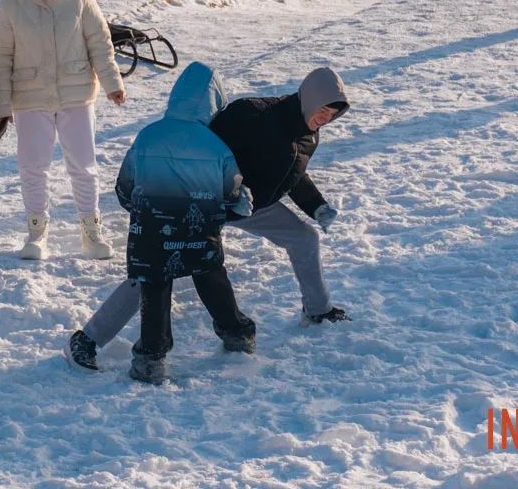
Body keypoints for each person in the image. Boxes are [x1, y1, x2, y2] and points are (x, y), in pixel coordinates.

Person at [66, 66, 350, 372]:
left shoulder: (309, 136)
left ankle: (318, 310)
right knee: (154, 270)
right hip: (203, 201)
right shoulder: (254, 114)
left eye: (332, 115)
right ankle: (89, 338)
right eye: (322, 111)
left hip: (250, 206)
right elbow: (201, 148)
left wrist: (316, 205)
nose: (325, 119)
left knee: (304, 237)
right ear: (309, 99)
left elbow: (291, 173)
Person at [114, 61, 257, 384]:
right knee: (211, 279)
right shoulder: (216, 145)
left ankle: (151, 359)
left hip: (149, 232)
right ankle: (237, 334)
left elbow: (125, 185)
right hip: (200, 230)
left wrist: (140, 212)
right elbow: (231, 190)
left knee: (154, 289)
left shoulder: (148, 135)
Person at [0, 0, 125, 260]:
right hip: (30, 98)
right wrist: (1, 107)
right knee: (33, 167)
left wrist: (112, 83)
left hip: (76, 94)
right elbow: (0, 57)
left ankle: (92, 231)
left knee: (84, 166)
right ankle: (37, 233)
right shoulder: (10, 6)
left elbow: (99, 42)